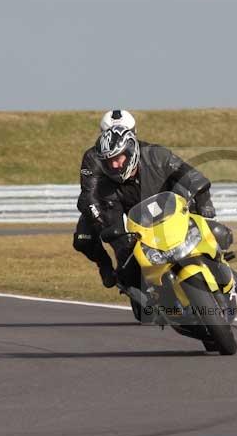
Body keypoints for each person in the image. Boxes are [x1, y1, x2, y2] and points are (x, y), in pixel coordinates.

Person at [72, 109, 218, 300]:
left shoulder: (155, 154)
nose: (114, 164)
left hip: (160, 200)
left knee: (210, 226)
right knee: (87, 240)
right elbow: (88, 196)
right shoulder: (94, 158)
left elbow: (190, 175)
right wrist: (102, 222)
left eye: (126, 133)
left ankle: (218, 262)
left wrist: (204, 201)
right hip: (112, 202)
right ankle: (113, 270)